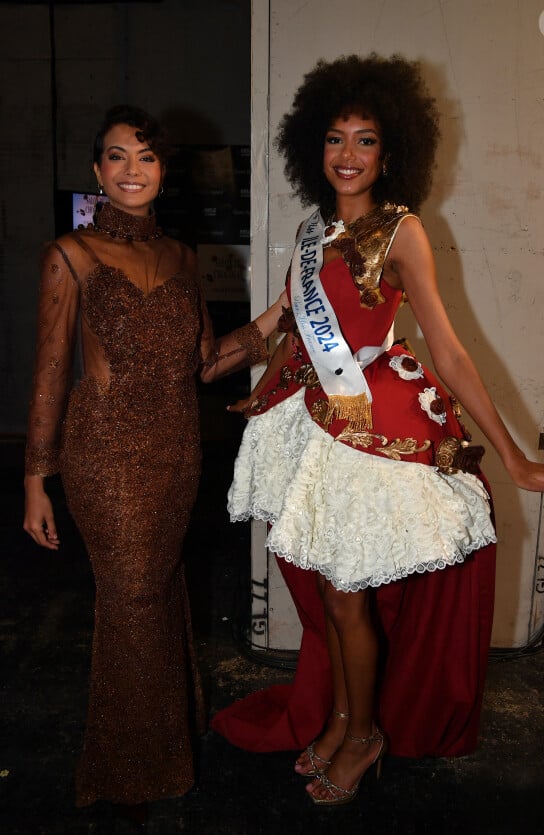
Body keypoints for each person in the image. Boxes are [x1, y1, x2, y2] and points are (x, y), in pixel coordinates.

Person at [211, 54, 544, 806]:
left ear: (391, 150)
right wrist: (205, 356)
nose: (348, 155)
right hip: (313, 428)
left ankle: (364, 734)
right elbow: (275, 327)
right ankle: (346, 719)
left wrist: (514, 458)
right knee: (334, 596)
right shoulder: (311, 229)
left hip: (372, 429)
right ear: (314, 145)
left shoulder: (402, 230)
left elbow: (446, 348)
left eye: (366, 139)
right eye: (335, 139)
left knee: (349, 598)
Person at [23, 105, 285, 818]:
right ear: (97, 171)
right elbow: (50, 372)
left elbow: (206, 363)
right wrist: (33, 480)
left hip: (176, 453)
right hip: (104, 453)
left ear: (163, 171)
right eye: (116, 157)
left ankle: (167, 734)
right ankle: (133, 766)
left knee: (160, 590)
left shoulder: (182, 257)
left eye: (145, 156)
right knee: (135, 593)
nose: (131, 170)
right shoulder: (70, 254)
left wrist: (280, 312)